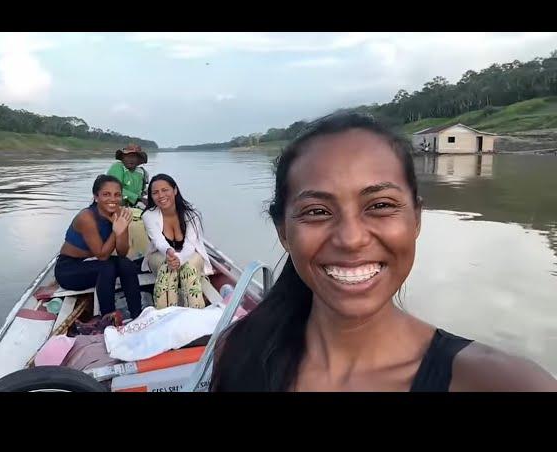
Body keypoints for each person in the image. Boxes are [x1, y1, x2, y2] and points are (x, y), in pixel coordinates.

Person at [210, 112, 557, 392]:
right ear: (283, 232)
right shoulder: (243, 354)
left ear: (416, 219)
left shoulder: (499, 383)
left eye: (379, 205)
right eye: (316, 211)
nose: (351, 238)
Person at [54, 174, 142, 319]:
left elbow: (122, 252)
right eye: (106, 194)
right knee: (106, 267)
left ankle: (138, 314)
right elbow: (102, 255)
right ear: (96, 196)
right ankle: (109, 318)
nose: (113, 199)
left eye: (117, 195)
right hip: (68, 269)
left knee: (126, 264)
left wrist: (121, 229)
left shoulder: (120, 213)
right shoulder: (86, 217)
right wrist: (116, 231)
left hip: (93, 263)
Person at [141, 174, 213, 309]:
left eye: (165, 190)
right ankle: (165, 315)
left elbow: (191, 244)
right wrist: (169, 253)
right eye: (155, 192)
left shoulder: (191, 213)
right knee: (167, 268)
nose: (161, 195)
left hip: (190, 253)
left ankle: (195, 314)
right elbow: (158, 241)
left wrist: (179, 258)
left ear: (175, 190)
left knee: (188, 269)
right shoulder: (148, 215)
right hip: (160, 254)